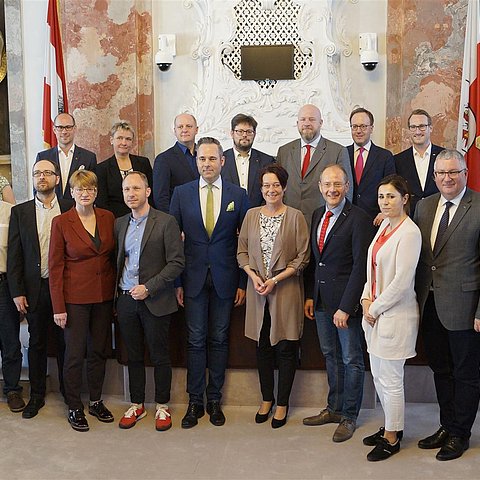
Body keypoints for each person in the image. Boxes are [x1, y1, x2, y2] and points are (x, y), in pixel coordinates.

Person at [170, 137, 249, 429]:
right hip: (191, 280)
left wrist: (242, 280)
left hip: (226, 279)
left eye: (212, 159)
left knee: (218, 339)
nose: (207, 164)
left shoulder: (238, 195)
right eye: (202, 159)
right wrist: (177, 281)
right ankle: (195, 402)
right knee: (195, 340)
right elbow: (172, 244)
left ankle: (214, 399)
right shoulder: (182, 194)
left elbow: (247, 241)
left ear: (222, 161)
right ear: (196, 162)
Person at [414, 149, 480, 461]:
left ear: (465, 173)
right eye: (441, 173)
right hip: (429, 305)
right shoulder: (424, 206)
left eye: (453, 172)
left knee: (465, 372)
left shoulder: (479, 206)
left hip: (466, 307)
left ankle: (460, 434)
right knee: (440, 368)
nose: (447, 178)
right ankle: (446, 424)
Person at [303, 164, 372, 441]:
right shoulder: (318, 214)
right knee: (330, 356)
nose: (332, 190)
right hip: (320, 302)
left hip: (346, 305)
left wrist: (346, 307)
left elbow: (360, 268)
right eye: (327, 185)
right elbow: (316, 261)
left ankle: (349, 416)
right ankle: (334, 407)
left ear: (346, 187)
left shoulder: (358, 218)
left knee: (351, 359)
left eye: (337, 185)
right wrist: (311, 294)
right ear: (320, 188)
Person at [237, 164, 309, 428]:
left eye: (276, 185)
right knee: (262, 348)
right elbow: (242, 252)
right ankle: (266, 398)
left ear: (284, 187)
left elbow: (303, 257)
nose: (271, 190)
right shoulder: (251, 215)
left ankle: (282, 403)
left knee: (286, 348)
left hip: (286, 290)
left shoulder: (296, 216)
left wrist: (275, 279)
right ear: (260, 188)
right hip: (257, 293)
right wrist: (254, 277)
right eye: (266, 185)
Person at [115, 171, 184, 431]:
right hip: (126, 300)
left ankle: (163, 406)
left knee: (159, 355)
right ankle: (137, 404)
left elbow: (177, 263)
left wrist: (149, 287)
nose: (131, 194)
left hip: (155, 299)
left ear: (148, 191)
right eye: (126, 190)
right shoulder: (120, 223)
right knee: (133, 355)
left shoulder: (165, 222)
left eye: (135, 188)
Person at [49, 170, 116, 432]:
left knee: (99, 351)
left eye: (90, 189)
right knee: (75, 354)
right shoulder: (61, 222)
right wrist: (58, 307)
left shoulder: (108, 218)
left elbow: (112, 257)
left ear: (96, 192)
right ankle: (75, 405)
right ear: (72, 193)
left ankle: (96, 401)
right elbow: (55, 267)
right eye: (80, 189)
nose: (85, 194)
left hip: (103, 297)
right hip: (74, 300)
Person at [360, 174, 421, 461]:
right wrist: (364, 299)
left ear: (405, 199)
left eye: (391, 196)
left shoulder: (409, 233)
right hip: (374, 315)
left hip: (395, 317)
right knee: (379, 377)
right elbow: (372, 269)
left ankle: (393, 438)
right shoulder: (384, 224)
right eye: (382, 196)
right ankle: (390, 425)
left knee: (392, 379)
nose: (385, 202)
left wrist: (373, 308)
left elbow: (401, 282)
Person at [7, 160, 71, 418]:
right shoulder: (20, 212)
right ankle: (36, 394)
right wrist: (17, 291)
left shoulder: (69, 207)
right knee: (37, 343)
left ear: (57, 179)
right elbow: (15, 256)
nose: (41, 177)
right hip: (34, 289)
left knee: (67, 342)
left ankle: (70, 393)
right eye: (37, 173)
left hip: (65, 289)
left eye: (47, 173)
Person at [276, 104, 353, 227]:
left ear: (321, 123)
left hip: (324, 222)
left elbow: (347, 192)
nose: (307, 123)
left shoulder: (338, 151)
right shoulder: (284, 151)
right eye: (303, 119)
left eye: (312, 119)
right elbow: (277, 187)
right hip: (288, 222)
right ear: (297, 123)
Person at [347, 107, 395, 223]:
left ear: (371, 128)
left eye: (363, 126)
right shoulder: (342, 154)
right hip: (347, 219)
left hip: (374, 219)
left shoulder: (384, 156)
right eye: (355, 126)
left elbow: (392, 187)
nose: (358, 131)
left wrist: (385, 212)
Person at [96, 121, 153, 218]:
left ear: (132, 142)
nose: (124, 142)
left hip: (144, 217)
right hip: (115, 220)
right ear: (111, 140)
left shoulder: (143, 163)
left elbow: (151, 194)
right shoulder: (101, 169)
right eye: (119, 138)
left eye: (128, 139)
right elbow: (102, 202)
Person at [394, 109, 444, 215]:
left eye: (422, 126)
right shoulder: (398, 160)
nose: (417, 131)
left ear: (430, 128)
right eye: (413, 127)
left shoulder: (444, 156)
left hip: (438, 215)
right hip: (409, 217)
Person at [36, 113, 97, 200]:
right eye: (60, 128)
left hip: (77, 209)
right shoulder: (43, 157)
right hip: (52, 209)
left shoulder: (88, 157)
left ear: (75, 129)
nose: (64, 132)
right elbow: (38, 187)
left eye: (68, 127)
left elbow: (93, 188)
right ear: (54, 129)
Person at [0, 200, 24, 413]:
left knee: (10, 340)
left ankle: (12, 389)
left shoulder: (10, 211)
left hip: (4, 284)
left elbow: (18, 252)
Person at [222, 113, 275, 207]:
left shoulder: (267, 161)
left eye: (249, 131)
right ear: (232, 133)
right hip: (227, 217)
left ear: (254, 134)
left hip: (258, 215)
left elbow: (270, 192)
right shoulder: (221, 160)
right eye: (240, 131)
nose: (244, 135)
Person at [152, 113, 199, 212]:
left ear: (196, 130)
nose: (184, 130)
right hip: (178, 218)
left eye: (189, 126)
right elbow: (161, 198)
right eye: (180, 127)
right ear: (175, 131)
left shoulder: (204, 156)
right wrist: (172, 222)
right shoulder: (163, 159)